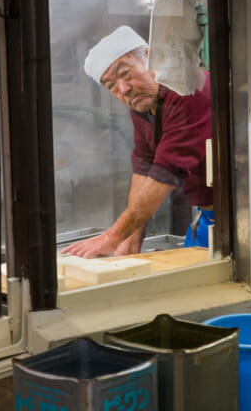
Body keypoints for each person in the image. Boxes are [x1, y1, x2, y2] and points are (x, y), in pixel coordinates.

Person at [61, 26, 212, 258]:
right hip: (207, 218)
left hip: (248, 218)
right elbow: (144, 167)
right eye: (111, 86)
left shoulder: (188, 90)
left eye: (125, 73)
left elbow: (166, 173)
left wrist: (112, 237)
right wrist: (131, 239)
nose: (123, 89)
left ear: (151, 57)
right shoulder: (144, 106)